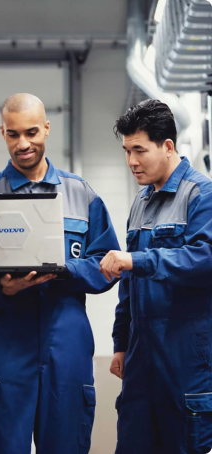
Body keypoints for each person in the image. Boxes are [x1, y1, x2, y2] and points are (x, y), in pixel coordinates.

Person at [0, 93, 120, 454]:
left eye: (31, 132)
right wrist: (3, 292)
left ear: (46, 128)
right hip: (6, 342)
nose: (23, 144)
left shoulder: (81, 195)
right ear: (3, 133)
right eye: (13, 135)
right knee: (2, 445)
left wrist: (63, 269)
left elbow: (108, 264)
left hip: (67, 342)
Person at [100, 99, 212, 454]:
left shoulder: (201, 195)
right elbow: (129, 287)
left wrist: (137, 260)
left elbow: (203, 259)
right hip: (141, 357)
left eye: (139, 150)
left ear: (167, 146)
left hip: (187, 357)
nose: (132, 161)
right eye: (126, 151)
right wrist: (120, 343)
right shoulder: (141, 201)